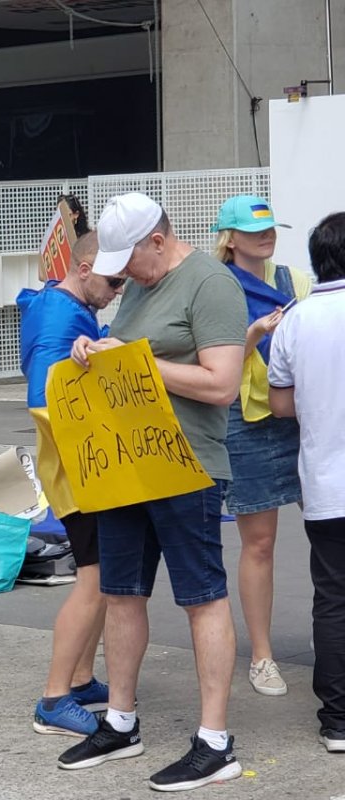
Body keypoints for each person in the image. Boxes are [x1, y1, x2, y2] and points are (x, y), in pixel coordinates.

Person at [61, 193, 246, 791]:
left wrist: (136, 359)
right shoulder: (142, 284)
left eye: (128, 261)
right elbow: (127, 354)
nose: (121, 276)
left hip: (187, 464)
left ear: (158, 242)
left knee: (202, 596)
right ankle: (120, 719)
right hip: (127, 462)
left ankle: (215, 740)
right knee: (121, 593)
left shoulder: (210, 285)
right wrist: (91, 352)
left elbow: (222, 384)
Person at [16, 231, 123, 737]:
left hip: (76, 467)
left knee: (97, 575)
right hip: (80, 469)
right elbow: (45, 400)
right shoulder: (63, 315)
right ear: (83, 269)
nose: (119, 288)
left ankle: (78, 681)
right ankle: (55, 697)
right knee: (95, 579)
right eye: (113, 278)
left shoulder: (52, 306)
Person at [211, 194, 310, 698]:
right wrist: (250, 337)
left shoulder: (293, 279)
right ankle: (263, 656)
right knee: (261, 543)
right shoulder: (216, 287)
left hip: (301, 416)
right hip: (247, 421)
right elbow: (210, 360)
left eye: (270, 228)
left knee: (330, 533)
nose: (266, 236)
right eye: (254, 231)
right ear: (229, 238)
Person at [268, 211, 345, 754]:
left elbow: (279, 403)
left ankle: (338, 721)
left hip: (325, 485)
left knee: (334, 598)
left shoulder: (295, 319)